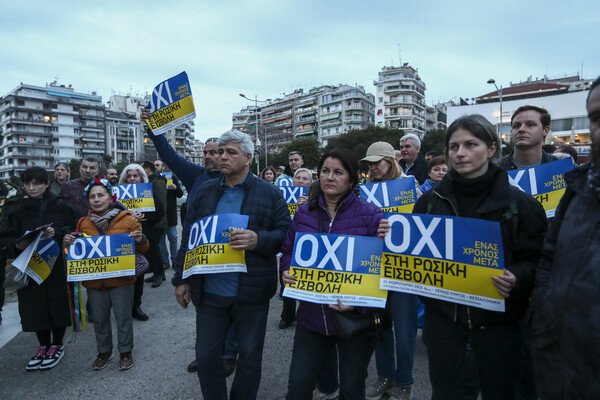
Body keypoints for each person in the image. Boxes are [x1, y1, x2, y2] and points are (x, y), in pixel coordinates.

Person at [396, 114, 547, 400]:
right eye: (454, 147)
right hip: (443, 325)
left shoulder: (522, 205)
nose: (460, 153)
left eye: (470, 144)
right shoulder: (428, 203)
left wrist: (517, 276)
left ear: (491, 149)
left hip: (498, 328)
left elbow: (539, 261)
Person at [173, 130, 290, 399]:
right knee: (206, 356)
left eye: (230, 152)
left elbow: (285, 234)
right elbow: (189, 238)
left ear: (248, 158)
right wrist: (181, 279)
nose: (222, 157)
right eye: (220, 152)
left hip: (251, 293)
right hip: (210, 293)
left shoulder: (270, 193)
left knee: (249, 359)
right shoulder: (203, 193)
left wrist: (258, 239)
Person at [281, 148, 383, 400]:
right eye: (325, 171)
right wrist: (286, 272)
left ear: (351, 179)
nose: (330, 177)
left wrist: (358, 302)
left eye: (338, 172)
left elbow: (380, 269)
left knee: (351, 387)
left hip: (354, 319)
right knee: (298, 385)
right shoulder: (304, 213)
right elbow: (287, 251)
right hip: (311, 317)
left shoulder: (371, 215)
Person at [530, 76, 600, 399]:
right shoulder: (576, 189)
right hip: (563, 366)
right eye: (597, 119)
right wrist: (546, 312)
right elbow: (549, 257)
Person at [63, 179, 149, 371]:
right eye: (92, 196)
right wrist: (68, 243)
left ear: (111, 198)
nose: (96, 199)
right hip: (95, 282)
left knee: (123, 317)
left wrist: (141, 238)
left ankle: (125, 352)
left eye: (101, 195)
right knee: (100, 319)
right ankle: (104, 352)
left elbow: (143, 248)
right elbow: (77, 252)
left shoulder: (129, 220)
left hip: (121, 281)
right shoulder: (82, 223)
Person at [0, 167, 77, 371]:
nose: (32, 188)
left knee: (56, 302)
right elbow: (5, 235)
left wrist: (57, 232)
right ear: (23, 185)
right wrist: (17, 244)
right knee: (33, 305)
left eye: (37, 183)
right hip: (28, 264)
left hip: (55, 263)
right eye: (27, 184)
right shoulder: (15, 208)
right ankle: (43, 345)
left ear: (45, 184)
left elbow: (74, 226)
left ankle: (57, 344)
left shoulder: (60, 205)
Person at [360, 141, 420, 400]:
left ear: (390, 161)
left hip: (405, 271)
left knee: (405, 331)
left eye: (377, 162)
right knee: (380, 328)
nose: (372, 167)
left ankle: (404, 382)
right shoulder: (364, 191)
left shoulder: (412, 187)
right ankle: (385, 376)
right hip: (376, 269)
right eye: (369, 163)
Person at [117, 164, 164, 320]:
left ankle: (136, 306)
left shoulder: (148, 192)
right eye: (129, 176)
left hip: (142, 239)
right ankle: (121, 308)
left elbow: (159, 212)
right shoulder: (116, 195)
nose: (132, 179)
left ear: (141, 177)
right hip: (121, 239)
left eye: (135, 176)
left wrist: (144, 215)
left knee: (139, 275)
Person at [499, 105, 559, 170]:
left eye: (530, 125)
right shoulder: (495, 169)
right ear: (511, 131)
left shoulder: (562, 168)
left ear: (546, 131)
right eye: (516, 126)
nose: (521, 129)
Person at [141, 161, 168, 287]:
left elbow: (162, 204)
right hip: (152, 222)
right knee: (155, 248)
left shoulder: (156, 183)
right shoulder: (148, 183)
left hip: (157, 222)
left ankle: (158, 274)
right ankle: (159, 273)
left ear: (146, 170)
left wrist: (159, 222)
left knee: (153, 249)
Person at [154, 160, 183, 270]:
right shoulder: (154, 180)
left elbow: (180, 194)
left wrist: (175, 188)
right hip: (159, 215)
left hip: (170, 214)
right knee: (161, 239)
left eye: (157, 165)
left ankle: (175, 260)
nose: (155, 167)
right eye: (154, 165)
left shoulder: (172, 178)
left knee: (173, 237)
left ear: (163, 167)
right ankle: (165, 261)